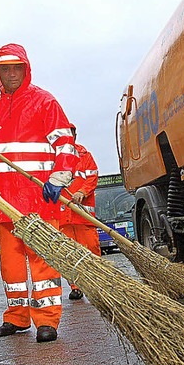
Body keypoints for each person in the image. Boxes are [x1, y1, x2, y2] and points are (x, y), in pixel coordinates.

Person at [0, 43, 77, 343]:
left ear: (25, 69)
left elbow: (65, 145)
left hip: (39, 199)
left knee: (43, 261)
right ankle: (17, 316)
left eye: (16, 68)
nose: (11, 74)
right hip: (5, 202)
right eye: (4, 69)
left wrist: (59, 178)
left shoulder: (44, 102)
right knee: (11, 266)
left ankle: (47, 320)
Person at [58, 124, 101, 300]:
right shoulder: (55, 157)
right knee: (69, 254)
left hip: (82, 215)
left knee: (91, 249)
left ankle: (98, 282)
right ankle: (76, 287)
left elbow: (92, 177)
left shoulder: (85, 155)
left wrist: (82, 192)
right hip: (63, 217)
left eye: (72, 133)